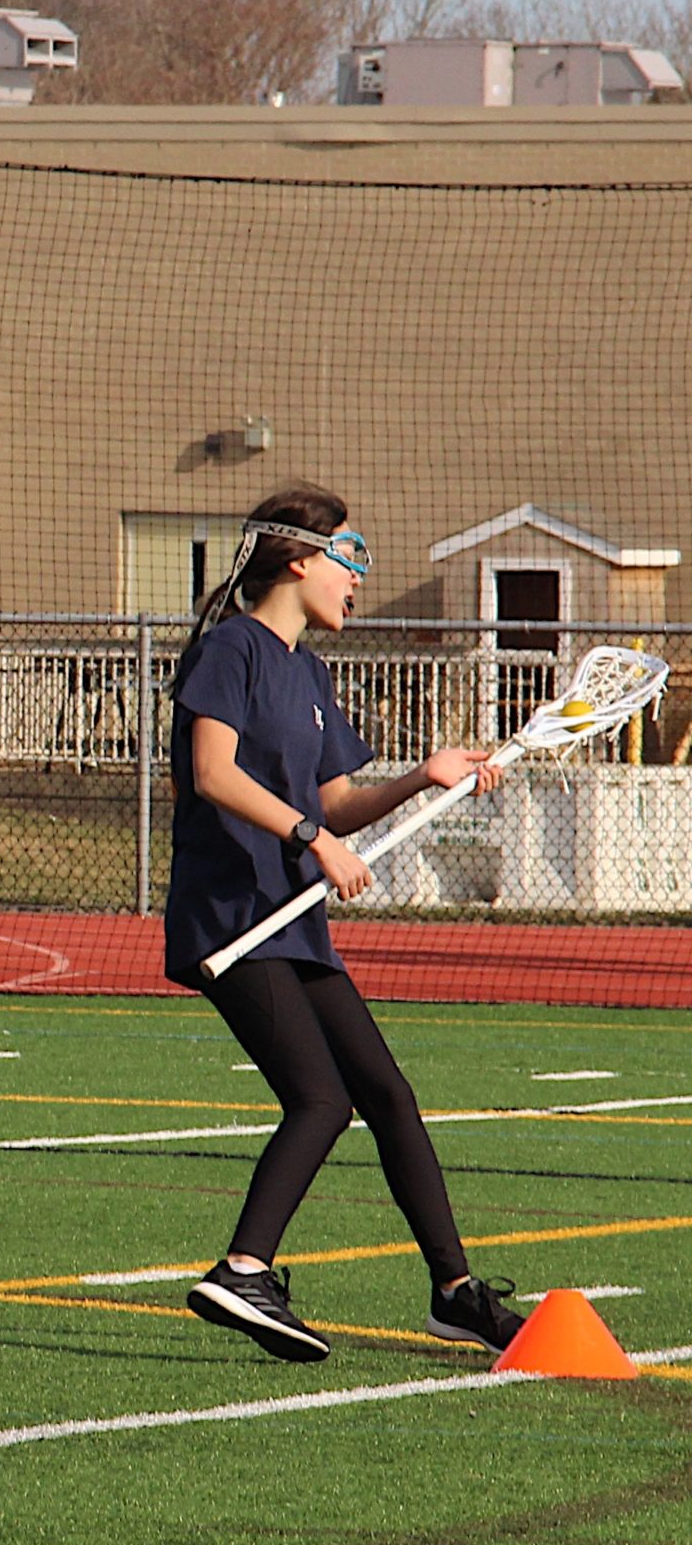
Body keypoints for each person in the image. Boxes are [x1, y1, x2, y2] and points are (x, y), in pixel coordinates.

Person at [168, 485, 528, 1362]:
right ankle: (243, 1268)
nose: (358, 581)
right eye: (349, 559)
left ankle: (456, 1293)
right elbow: (213, 773)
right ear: (299, 560)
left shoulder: (310, 672)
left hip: (292, 924)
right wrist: (311, 838)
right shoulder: (231, 652)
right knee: (320, 1099)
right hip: (234, 923)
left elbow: (336, 799)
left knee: (387, 1094)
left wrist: (422, 777)